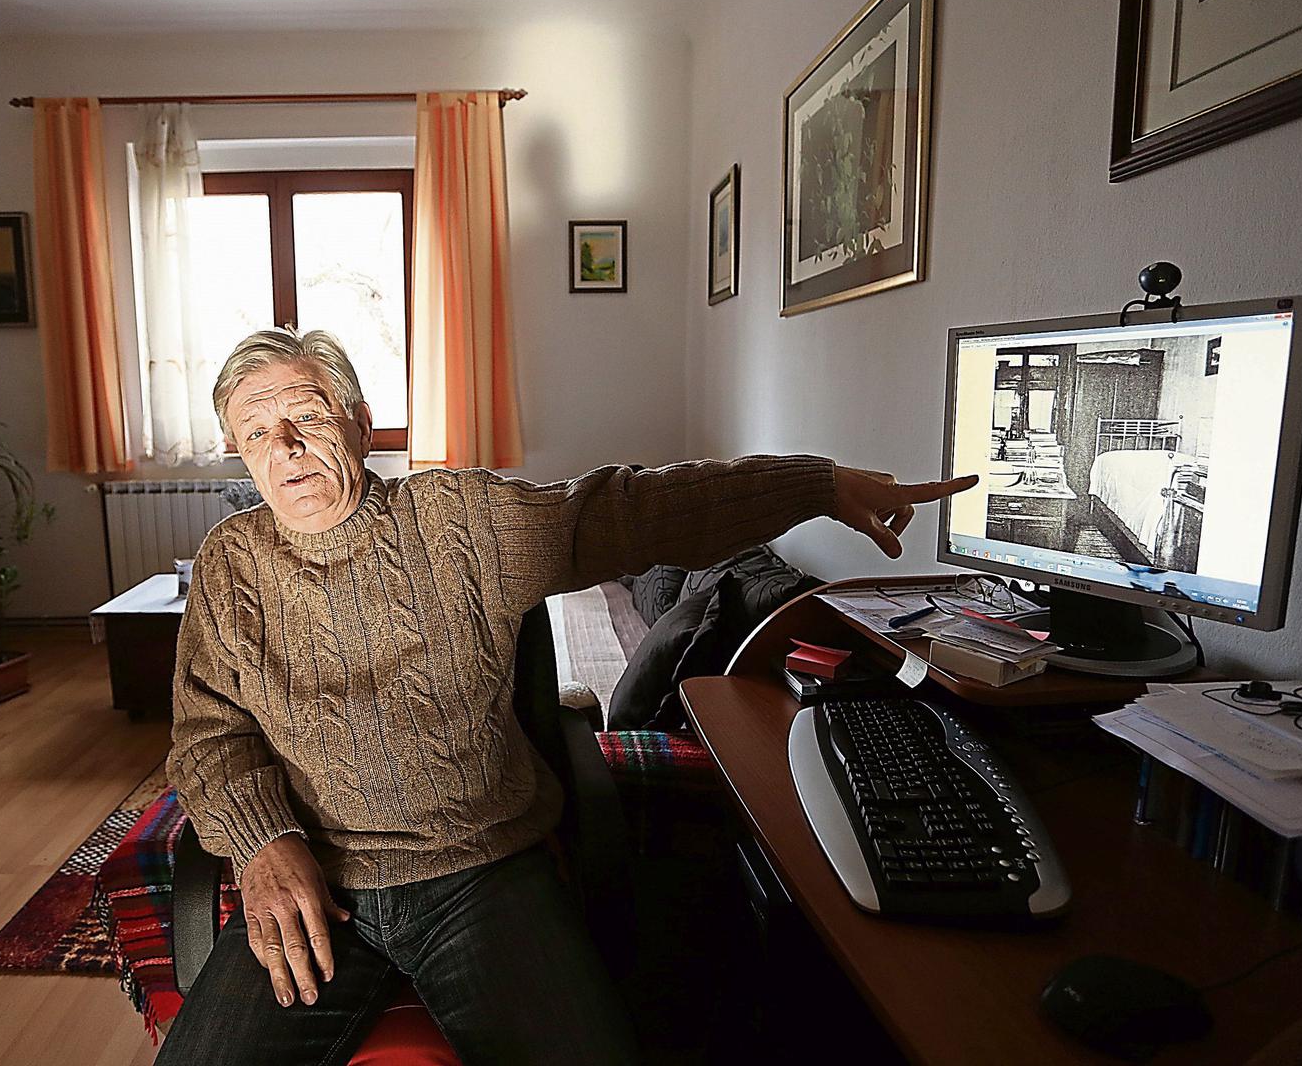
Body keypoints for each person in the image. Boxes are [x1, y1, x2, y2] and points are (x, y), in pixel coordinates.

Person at [158, 329, 976, 1065]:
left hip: (480, 875)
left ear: (362, 424)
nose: (286, 447)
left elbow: (631, 510)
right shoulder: (231, 564)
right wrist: (261, 843)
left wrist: (819, 486)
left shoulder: (457, 522)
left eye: (305, 414)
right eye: (255, 432)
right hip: (315, 883)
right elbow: (207, 735)